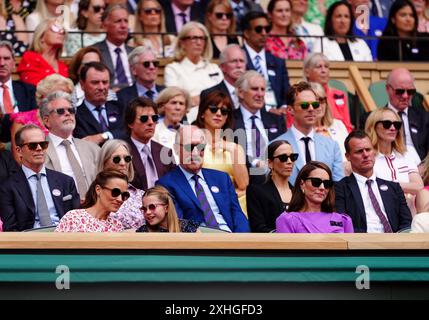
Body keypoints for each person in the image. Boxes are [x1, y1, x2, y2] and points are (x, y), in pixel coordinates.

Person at [158, 125, 250, 232]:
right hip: (198, 242)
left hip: (231, 238)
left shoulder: (222, 178)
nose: (196, 153)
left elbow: (237, 215)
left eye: (201, 147)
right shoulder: (166, 184)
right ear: (177, 149)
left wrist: (241, 241)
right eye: (190, 147)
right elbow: (177, 222)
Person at [0, 124, 80, 231]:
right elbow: (11, 228)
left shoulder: (66, 181)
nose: (39, 148)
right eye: (32, 145)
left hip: (64, 238)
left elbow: (76, 220)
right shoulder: (7, 187)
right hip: (29, 242)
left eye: (43, 144)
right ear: (19, 151)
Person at [335, 130, 412, 232]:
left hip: (394, 243)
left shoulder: (394, 187)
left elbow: (406, 224)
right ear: (348, 156)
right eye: (359, 151)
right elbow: (341, 223)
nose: (366, 155)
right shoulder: (339, 188)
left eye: (368, 149)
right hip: (360, 244)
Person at [275, 81, 344, 185]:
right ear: (290, 110)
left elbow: (339, 187)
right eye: (304, 105)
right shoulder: (275, 146)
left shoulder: (332, 146)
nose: (311, 109)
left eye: (315, 104)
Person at [359, 68, 429, 166]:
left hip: (421, 169)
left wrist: (424, 168)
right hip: (384, 165)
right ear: (388, 89)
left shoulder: (425, 118)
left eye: (410, 91)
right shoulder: (370, 118)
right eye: (400, 91)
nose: (405, 96)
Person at [195, 90, 248, 212]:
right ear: (202, 113)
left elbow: (243, 184)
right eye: (213, 109)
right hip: (203, 202)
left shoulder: (235, 147)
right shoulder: (193, 143)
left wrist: (232, 149)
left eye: (224, 111)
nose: (219, 114)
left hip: (232, 204)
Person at [365, 107, 425, 215]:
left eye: (397, 125)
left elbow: (418, 186)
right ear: (373, 126)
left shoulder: (406, 155)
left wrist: (388, 185)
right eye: (387, 124)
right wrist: (405, 187)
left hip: (407, 218)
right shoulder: (367, 157)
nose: (393, 128)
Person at [41, 91, 100, 200]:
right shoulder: (39, 150)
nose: (67, 113)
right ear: (46, 120)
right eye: (60, 111)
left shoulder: (92, 148)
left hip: (95, 208)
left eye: (71, 110)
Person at [232, 71, 286, 184]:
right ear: (241, 93)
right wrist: (255, 162)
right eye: (255, 89)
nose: (260, 94)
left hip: (277, 177)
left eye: (263, 89)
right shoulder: (230, 120)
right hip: (246, 178)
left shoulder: (276, 119)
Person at [164, 21, 223, 123]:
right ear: (182, 42)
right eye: (194, 38)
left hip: (217, 119)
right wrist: (207, 100)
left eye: (202, 38)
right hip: (188, 121)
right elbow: (176, 102)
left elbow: (223, 97)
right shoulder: (173, 69)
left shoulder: (214, 68)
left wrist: (195, 99)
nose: (199, 42)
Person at [276, 161, 354, 233]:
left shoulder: (343, 220)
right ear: (302, 184)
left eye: (326, 183)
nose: (322, 187)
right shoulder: (287, 220)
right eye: (316, 182)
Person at [241, 11, 290, 111]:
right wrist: (267, 111)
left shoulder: (278, 62)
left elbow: (287, 94)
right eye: (259, 29)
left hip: (279, 117)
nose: (264, 33)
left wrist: (284, 108)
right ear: (246, 33)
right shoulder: (238, 60)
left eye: (267, 29)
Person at [124, 97, 175, 190]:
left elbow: (175, 185)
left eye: (154, 118)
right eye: (144, 119)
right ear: (130, 123)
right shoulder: (121, 152)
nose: (151, 122)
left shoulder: (165, 152)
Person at [55, 170, 128, 232]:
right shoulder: (73, 218)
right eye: (115, 192)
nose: (120, 199)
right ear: (98, 190)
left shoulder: (117, 226)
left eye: (124, 195)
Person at [247, 140, 296, 232]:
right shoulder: (256, 191)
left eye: (293, 157)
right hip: (270, 244)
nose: (289, 162)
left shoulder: (299, 193)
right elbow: (258, 228)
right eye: (283, 157)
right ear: (270, 163)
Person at [97, 139, 145, 229]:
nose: (123, 163)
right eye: (117, 159)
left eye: (127, 158)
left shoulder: (141, 195)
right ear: (104, 161)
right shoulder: (96, 193)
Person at [73, 62, 126, 145]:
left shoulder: (120, 107)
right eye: (95, 82)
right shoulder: (76, 116)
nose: (101, 87)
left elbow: (128, 131)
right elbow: (83, 143)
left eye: (105, 82)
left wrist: (104, 136)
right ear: (82, 85)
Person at [303, 52, 353, 132]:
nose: (324, 70)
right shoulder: (299, 96)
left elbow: (347, 126)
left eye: (326, 67)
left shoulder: (339, 94)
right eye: (319, 67)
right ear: (307, 72)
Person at [0, 41, 37, 143]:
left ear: (13, 63)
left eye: (6, 58)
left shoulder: (29, 90)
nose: (2, 63)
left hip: (27, 142)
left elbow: (35, 119)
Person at [91, 4, 133, 88]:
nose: (123, 26)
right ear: (105, 26)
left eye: (126, 21)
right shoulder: (95, 52)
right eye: (118, 21)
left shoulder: (134, 52)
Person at [17, 18, 69, 86]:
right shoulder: (30, 58)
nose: (60, 32)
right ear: (41, 36)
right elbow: (33, 87)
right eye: (55, 28)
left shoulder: (63, 66)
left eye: (63, 31)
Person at [200, 44, 247, 110]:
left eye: (242, 61)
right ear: (222, 67)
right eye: (233, 61)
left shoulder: (253, 92)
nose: (239, 65)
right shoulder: (210, 94)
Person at [311, 82, 348, 163]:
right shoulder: (303, 131)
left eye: (322, 100)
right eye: (315, 102)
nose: (319, 105)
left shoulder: (338, 125)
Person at [153, 86, 191, 152]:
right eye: (173, 103)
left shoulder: (191, 132)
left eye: (181, 103)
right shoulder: (154, 132)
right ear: (162, 106)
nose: (178, 107)